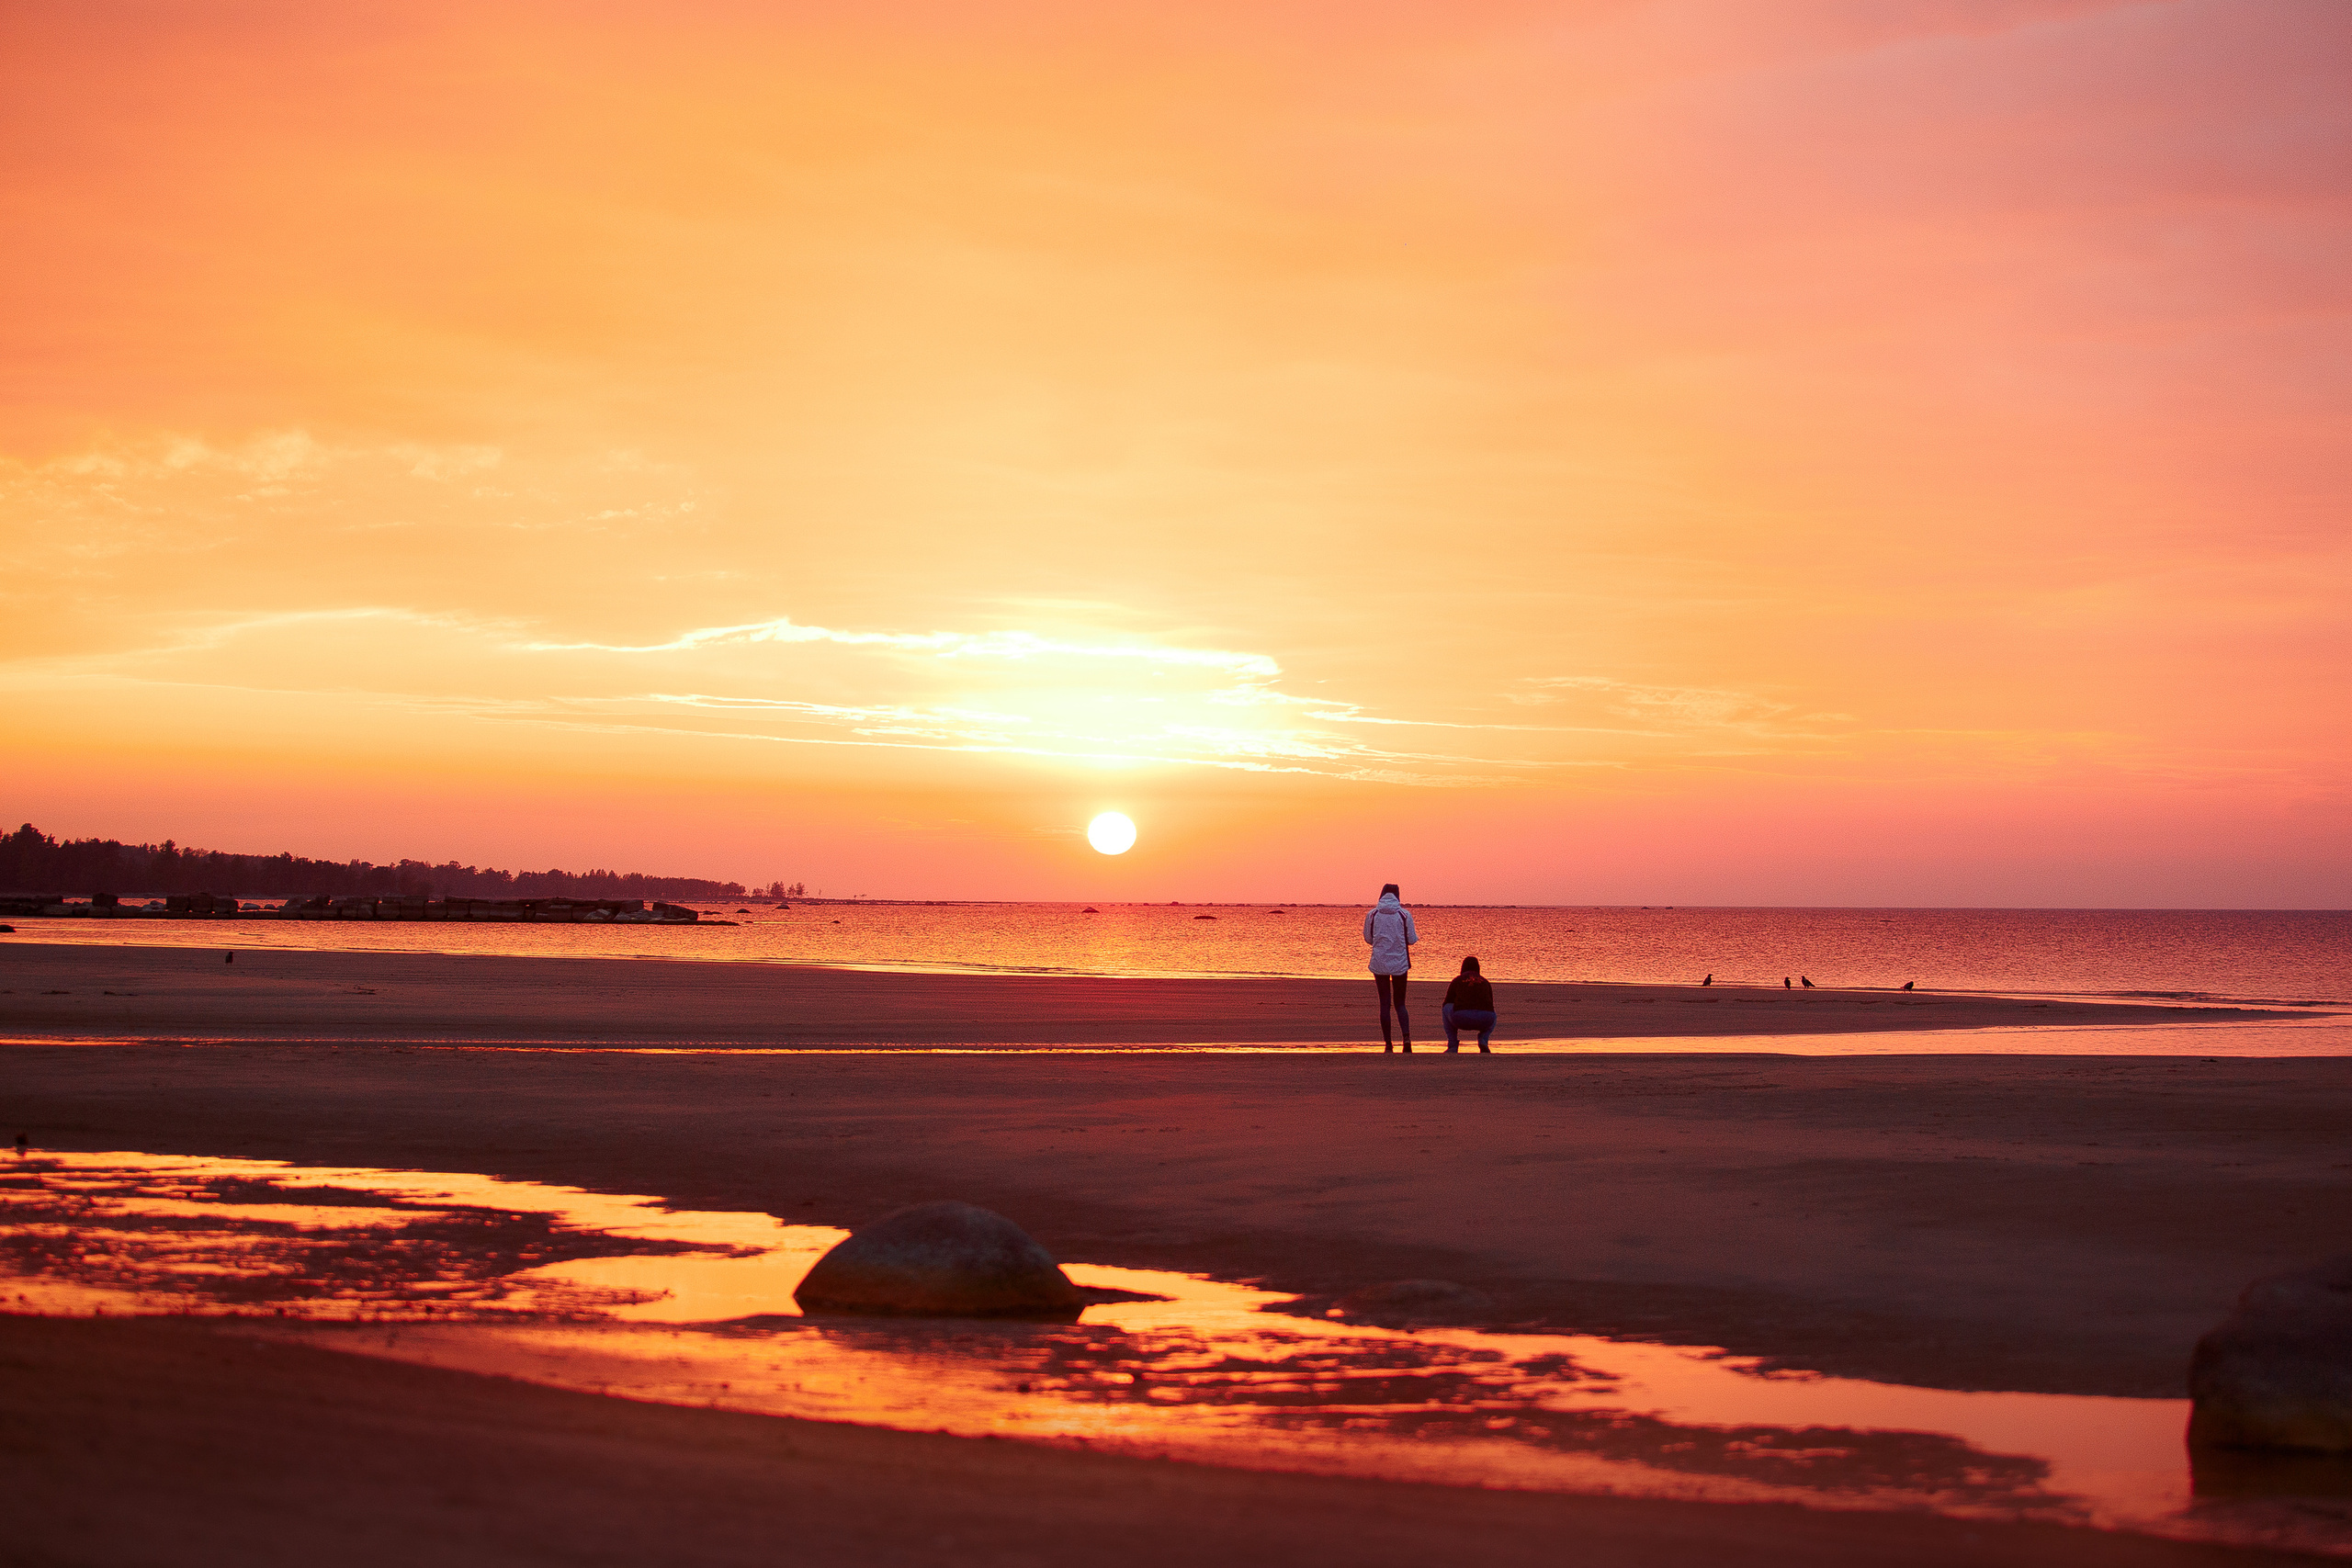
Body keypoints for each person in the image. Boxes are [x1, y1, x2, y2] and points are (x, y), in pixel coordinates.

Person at [1362, 883, 1418, 1052]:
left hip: (1379, 963)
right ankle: (1406, 1039)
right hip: (1400, 963)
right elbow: (1412, 939)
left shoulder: (1373, 914)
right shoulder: (1404, 915)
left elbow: (1368, 939)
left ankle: (1388, 1044)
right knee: (1400, 1003)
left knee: (1384, 1004)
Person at [1442, 956, 1498, 1054]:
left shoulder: (1457, 980)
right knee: (1493, 1014)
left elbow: (1447, 1002)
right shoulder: (1485, 981)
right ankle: (1483, 1039)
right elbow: (1490, 1004)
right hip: (1485, 1019)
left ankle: (1453, 1044)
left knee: (1446, 1008)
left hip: (1462, 1018)